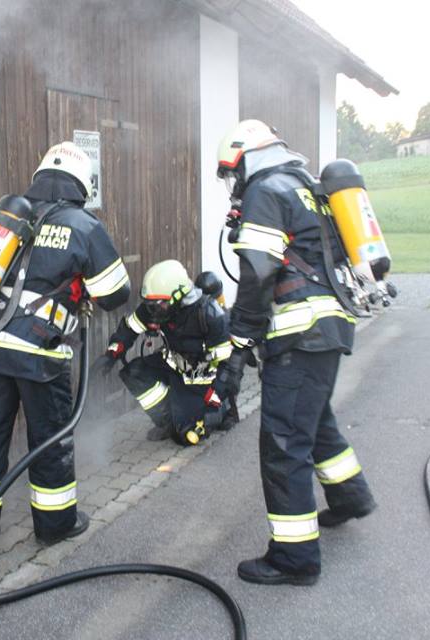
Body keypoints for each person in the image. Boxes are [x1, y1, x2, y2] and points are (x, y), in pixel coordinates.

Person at [212, 120, 376, 586]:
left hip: (299, 335)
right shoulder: (307, 188)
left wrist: (239, 343)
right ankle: (350, 497)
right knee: (315, 420)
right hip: (329, 328)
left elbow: (259, 273)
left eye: (232, 172)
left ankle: (295, 558)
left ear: (246, 159)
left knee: (284, 443)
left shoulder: (266, 192)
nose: (234, 184)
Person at [0, 141, 130, 547]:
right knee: (50, 440)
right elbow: (116, 293)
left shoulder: (12, 218)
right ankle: (55, 525)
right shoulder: (83, 226)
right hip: (37, 354)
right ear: (81, 183)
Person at [96, 260, 236, 445]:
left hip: (202, 380)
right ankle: (167, 422)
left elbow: (229, 366)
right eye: (150, 304)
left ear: (177, 297)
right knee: (134, 372)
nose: (152, 311)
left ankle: (223, 411)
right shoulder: (158, 309)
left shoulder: (209, 314)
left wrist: (215, 397)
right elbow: (129, 329)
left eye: (158, 304)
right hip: (174, 366)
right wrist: (111, 354)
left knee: (186, 436)